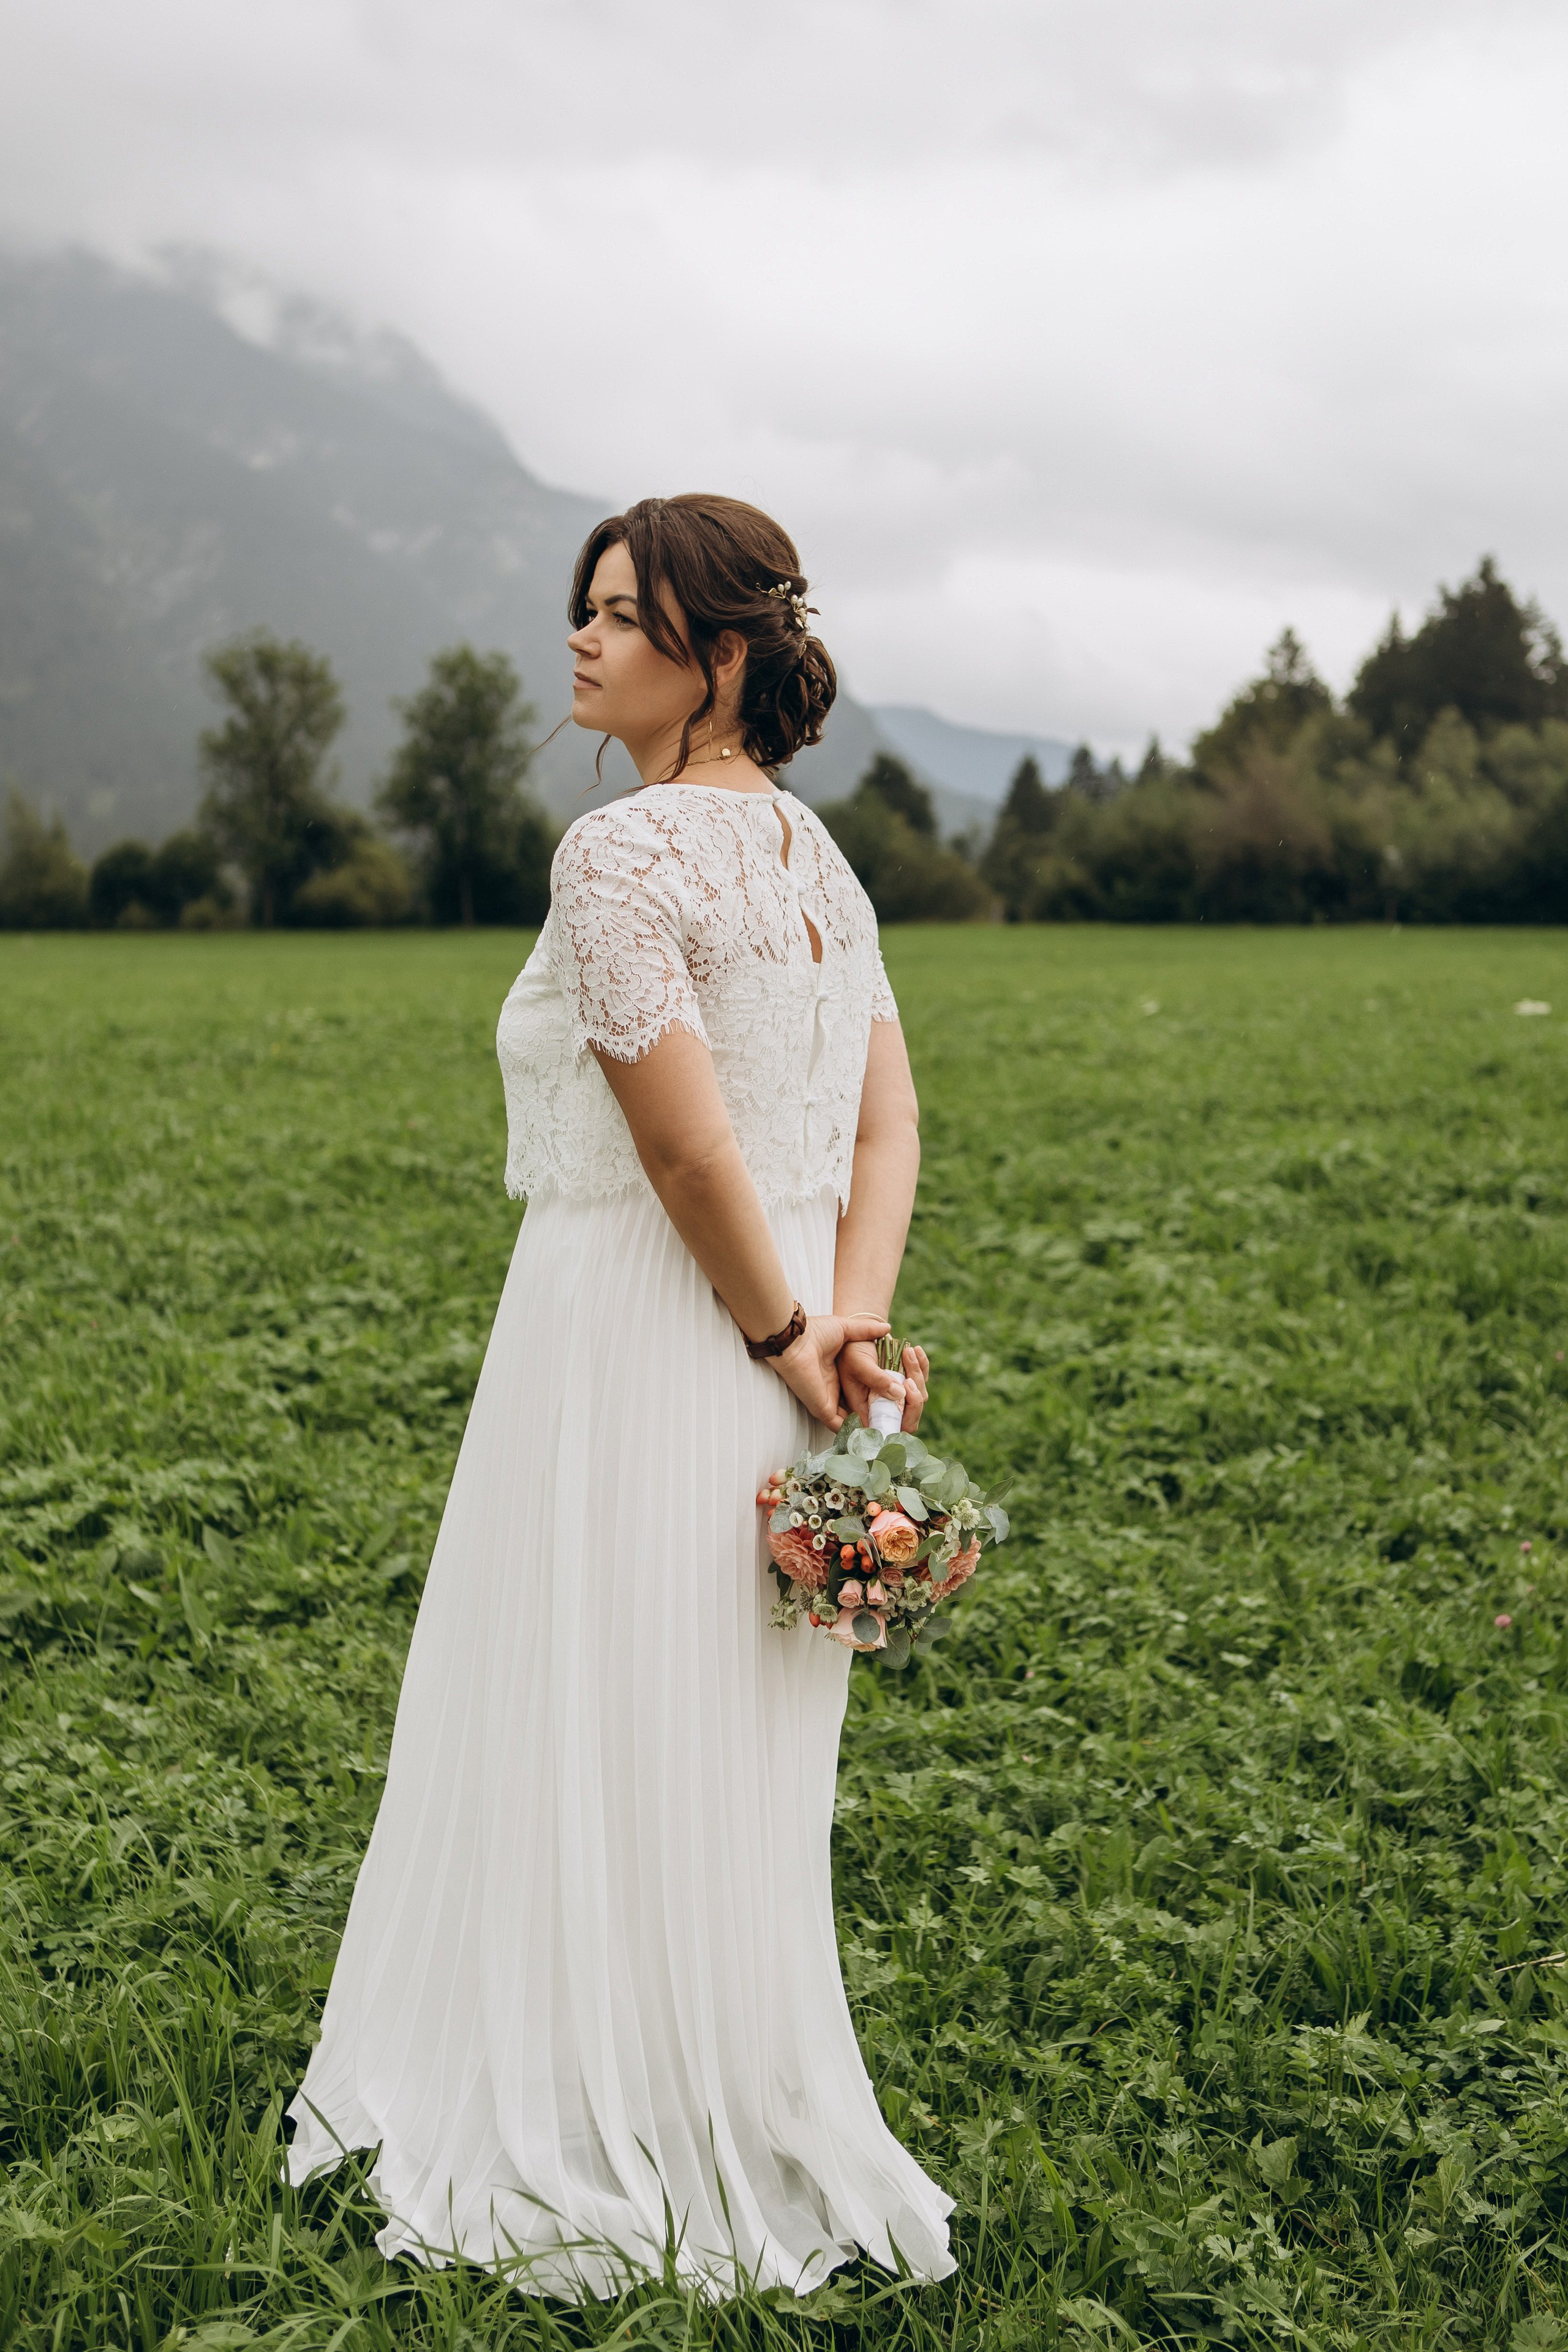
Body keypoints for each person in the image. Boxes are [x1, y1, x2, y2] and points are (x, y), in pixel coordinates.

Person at [286, 493, 954, 2298]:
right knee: (709, 1718)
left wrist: (772, 1335)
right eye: (577, 609)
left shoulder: (621, 856)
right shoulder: (827, 865)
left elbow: (680, 1148)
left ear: (718, 652)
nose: (579, 640)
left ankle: (588, 2101)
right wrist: (848, 1337)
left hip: (654, 1334)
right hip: (795, 1345)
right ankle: (698, 2079)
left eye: (617, 613)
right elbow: (888, 1129)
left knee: (592, 1690)